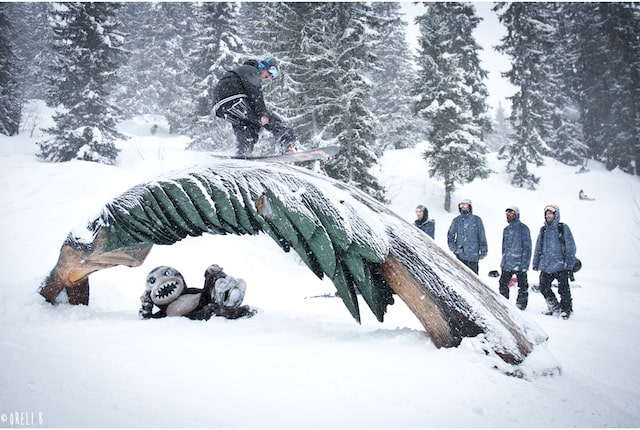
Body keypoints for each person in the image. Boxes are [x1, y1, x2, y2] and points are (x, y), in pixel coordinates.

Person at [212, 56, 298, 157]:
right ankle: (288, 146)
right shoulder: (251, 70)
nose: (270, 77)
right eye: (271, 72)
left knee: (246, 125)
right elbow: (255, 93)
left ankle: (242, 152)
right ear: (264, 66)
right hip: (234, 98)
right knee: (271, 120)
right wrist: (262, 114)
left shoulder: (243, 71)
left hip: (222, 108)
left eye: (273, 76)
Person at [532, 204, 577, 320]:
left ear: (556, 215)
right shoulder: (543, 230)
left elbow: (571, 247)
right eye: (546, 213)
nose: (548, 215)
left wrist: (569, 264)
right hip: (546, 265)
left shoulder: (563, 228)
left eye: (551, 213)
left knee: (563, 289)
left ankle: (566, 310)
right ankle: (554, 307)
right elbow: (538, 247)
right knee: (543, 287)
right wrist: (536, 262)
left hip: (561, 265)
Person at [498, 206, 532, 310]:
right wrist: (504, 260)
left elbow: (527, 247)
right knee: (502, 283)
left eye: (511, 214)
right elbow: (504, 247)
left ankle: (521, 305)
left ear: (516, 214)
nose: (508, 216)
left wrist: (525, 264)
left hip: (519, 263)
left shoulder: (523, 228)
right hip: (507, 262)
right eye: (507, 214)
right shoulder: (506, 229)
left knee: (522, 285)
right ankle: (503, 302)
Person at [447, 199, 488, 274]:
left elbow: (482, 236)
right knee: (460, 278)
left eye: (466, 206)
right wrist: (454, 249)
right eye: (462, 206)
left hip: (473, 256)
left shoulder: (477, 220)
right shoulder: (456, 220)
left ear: (470, 207)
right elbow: (450, 236)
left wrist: (483, 251)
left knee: (474, 279)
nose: (464, 208)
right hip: (460, 256)